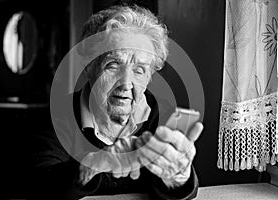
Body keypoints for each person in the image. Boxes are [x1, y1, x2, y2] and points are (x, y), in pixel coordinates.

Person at [29, 5, 204, 200]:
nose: (126, 83)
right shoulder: (58, 114)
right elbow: (39, 185)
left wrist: (179, 176)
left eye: (139, 70)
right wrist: (94, 164)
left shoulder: (164, 116)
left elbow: (175, 191)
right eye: (113, 65)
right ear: (89, 66)